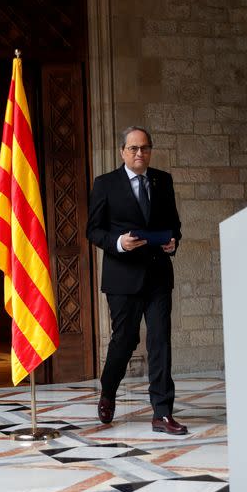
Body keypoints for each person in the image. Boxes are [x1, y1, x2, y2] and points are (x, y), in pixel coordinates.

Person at [86, 126, 186, 435]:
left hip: (157, 275)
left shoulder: (162, 180)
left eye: (144, 148)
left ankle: (162, 412)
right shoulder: (105, 184)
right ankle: (108, 391)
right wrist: (118, 242)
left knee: (160, 341)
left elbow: (174, 224)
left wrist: (173, 242)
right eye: (133, 148)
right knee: (125, 340)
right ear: (122, 152)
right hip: (122, 277)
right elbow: (94, 230)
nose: (139, 153)